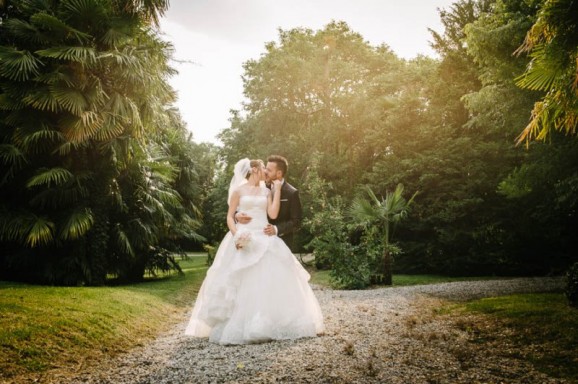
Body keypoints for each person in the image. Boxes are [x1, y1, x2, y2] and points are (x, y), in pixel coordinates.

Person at [185, 158, 324, 345]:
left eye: (268, 168)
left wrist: (277, 191)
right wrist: (236, 234)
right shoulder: (238, 190)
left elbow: (273, 215)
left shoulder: (268, 190)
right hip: (244, 236)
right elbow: (229, 215)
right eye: (263, 167)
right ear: (254, 170)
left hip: (264, 236)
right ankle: (238, 323)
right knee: (239, 280)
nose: (266, 171)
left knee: (266, 280)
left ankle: (266, 322)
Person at [236, 155, 302, 252]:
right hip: (257, 239)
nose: (265, 172)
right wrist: (237, 215)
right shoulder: (261, 188)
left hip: (282, 241)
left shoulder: (291, 193)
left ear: (279, 173)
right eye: (265, 169)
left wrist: (276, 229)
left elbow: (296, 222)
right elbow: (248, 206)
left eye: (269, 170)